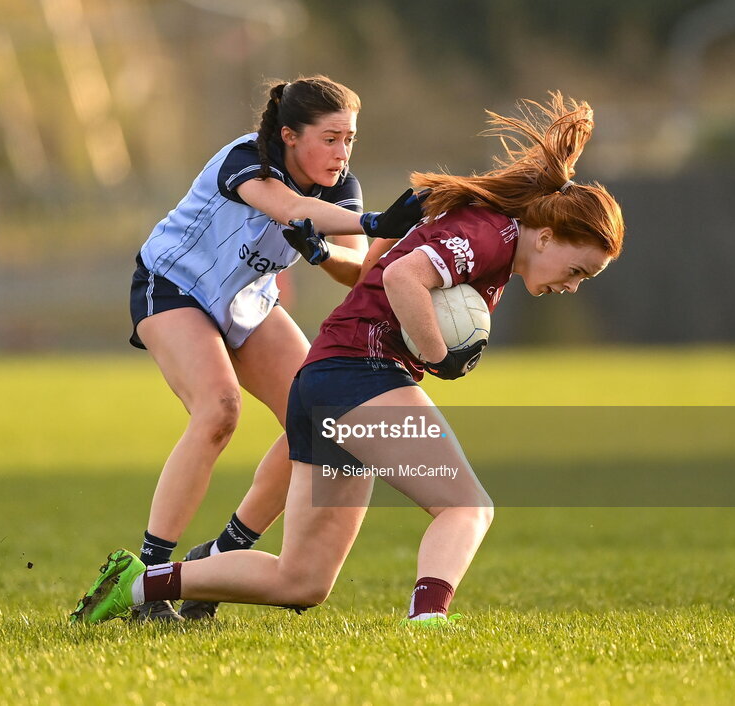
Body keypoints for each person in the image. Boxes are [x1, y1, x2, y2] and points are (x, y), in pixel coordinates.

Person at [72, 92, 625, 627]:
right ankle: (426, 622)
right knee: (465, 507)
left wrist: (342, 248)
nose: (573, 287)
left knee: (302, 582)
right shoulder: (490, 234)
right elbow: (399, 272)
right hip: (326, 360)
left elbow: (368, 268)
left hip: (324, 367)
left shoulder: (482, 237)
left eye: (350, 139)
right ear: (548, 237)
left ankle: (143, 582)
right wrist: (438, 352)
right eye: (577, 271)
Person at [124, 75, 425, 621]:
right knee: (219, 410)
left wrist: (322, 254)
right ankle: (148, 576)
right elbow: (287, 207)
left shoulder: (340, 186)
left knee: (320, 417)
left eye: (350, 139)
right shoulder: (248, 158)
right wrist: (374, 222)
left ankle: (217, 559)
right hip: (172, 286)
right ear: (289, 135)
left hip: (247, 302)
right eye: (330, 138)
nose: (341, 152)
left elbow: (357, 269)